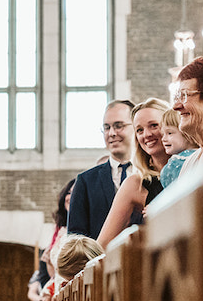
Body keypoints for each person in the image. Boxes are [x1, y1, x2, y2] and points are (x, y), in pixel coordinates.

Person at [97, 98, 171, 248]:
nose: (146, 134)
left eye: (154, 125)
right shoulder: (135, 184)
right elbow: (102, 246)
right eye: (139, 130)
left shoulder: (193, 166)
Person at [67, 99, 135, 238]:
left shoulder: (151, 175)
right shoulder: (86, 181)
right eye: (106, 127)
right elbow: (75, 237)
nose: (111, 133)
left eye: (118, 126)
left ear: (135, 126)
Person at [159, 107, 198, 188]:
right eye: (163, 134)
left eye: (169, 133)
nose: (163, 139)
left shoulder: (174, 165)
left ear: (187, 132)